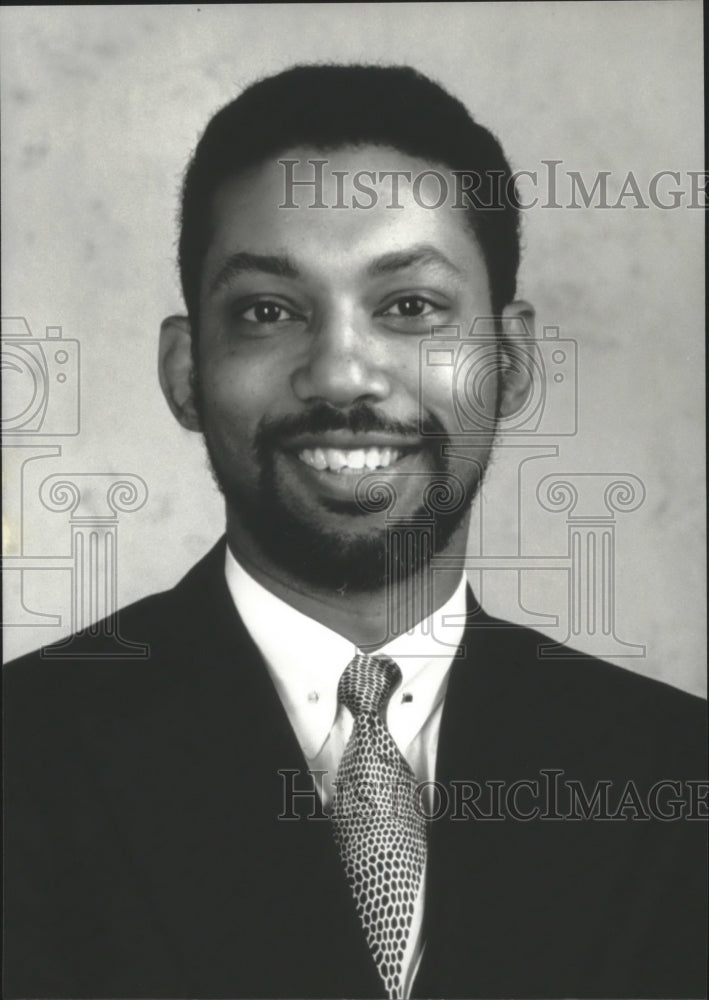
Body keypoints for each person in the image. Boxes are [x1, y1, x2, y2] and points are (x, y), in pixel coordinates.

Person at [3, 64, 706, 1000]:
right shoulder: (25, 757)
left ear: (512, 360)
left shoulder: (675, 774)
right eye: (267, 311)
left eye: (409, 307)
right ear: (184, 370)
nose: (340, 375)